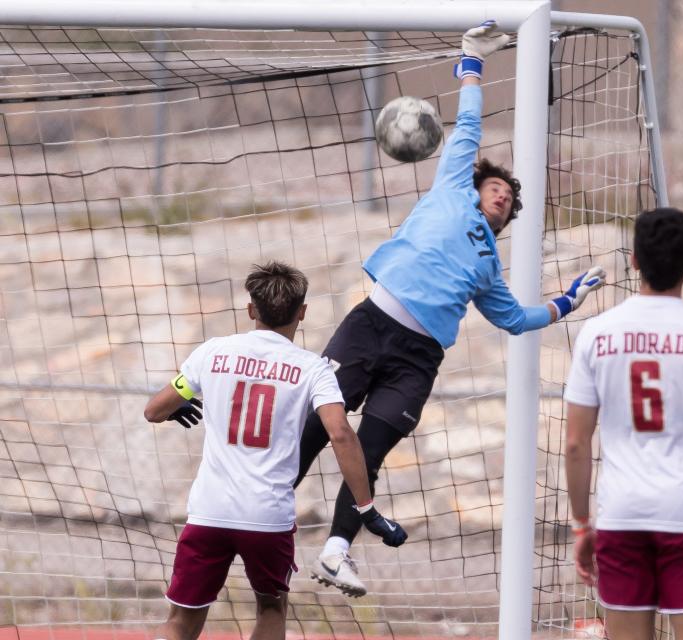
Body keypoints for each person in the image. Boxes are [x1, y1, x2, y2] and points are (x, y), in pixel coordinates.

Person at [295, 21, 606, 598]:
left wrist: (567, 301)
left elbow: (516, 320)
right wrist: (471, 60)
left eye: (510, 200)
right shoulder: (451, 188)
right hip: (372, 324)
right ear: (478, 184)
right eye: (497, 189)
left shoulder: (488, 268)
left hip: (418, 359)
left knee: (371, 448)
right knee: (317, 423)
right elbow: (468, 122)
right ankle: (261, 508)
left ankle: (336, 550)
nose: (503, 196)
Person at [143, 261, 407, 640]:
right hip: (266, 517)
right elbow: (341, 435)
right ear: (302, 312)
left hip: (209, 511)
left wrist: (178, 405)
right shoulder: (312, 368)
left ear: (251, 309)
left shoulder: (213, 352)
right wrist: (365, 508)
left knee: (181, 621)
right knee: (271, 607)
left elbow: (154, 410)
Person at [563, 208, 683, 640]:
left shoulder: (596, 333)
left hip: (622, 515)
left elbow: (576, 444)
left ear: (633, 260)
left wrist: (581, 524)